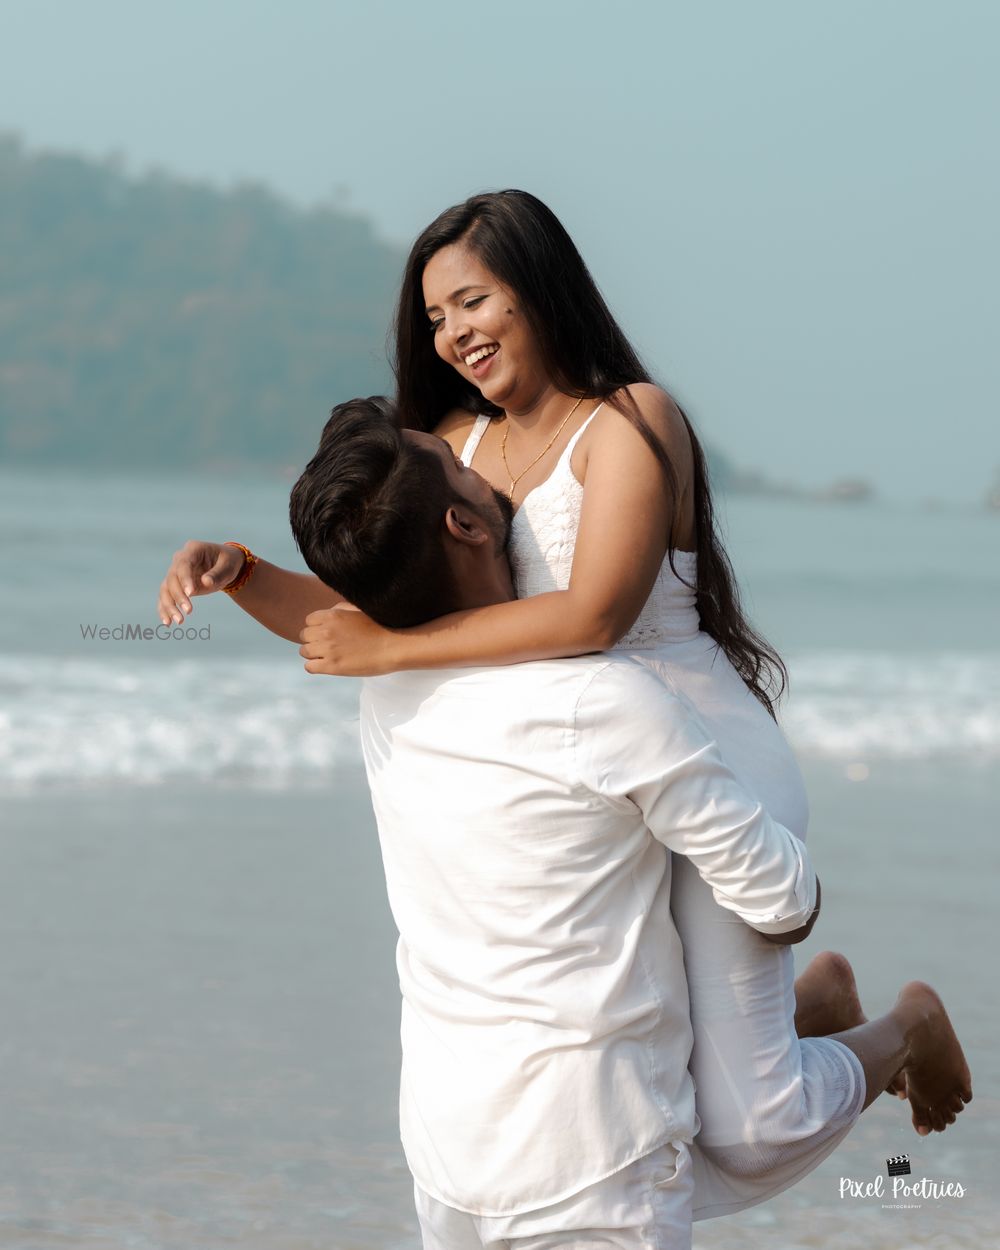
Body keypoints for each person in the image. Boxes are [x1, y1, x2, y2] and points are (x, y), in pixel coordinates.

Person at [156, 192, 971, 1211]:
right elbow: (374, 611)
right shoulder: (456, 443)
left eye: (473, 301)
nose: (453, 334)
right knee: (644, 1078)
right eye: (436, 316)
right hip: (579, 782)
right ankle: (810, 1010)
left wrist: (390, 648)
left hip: (702, 754)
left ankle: (904, 1027)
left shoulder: (630, 420)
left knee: (753, 1129)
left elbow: (593, 614)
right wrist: (242, 572)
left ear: (538, 287)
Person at [283, 397, 965, 1249]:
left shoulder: (386, 693)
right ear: (465, 524)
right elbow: (786, 902)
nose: (489, 461)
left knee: (752, 1118)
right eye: (464, 465)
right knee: (759, 1128)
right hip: (596, 1162)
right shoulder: (602, 704)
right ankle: (865, 1030)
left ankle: (801, 1028)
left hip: (447, 1156)